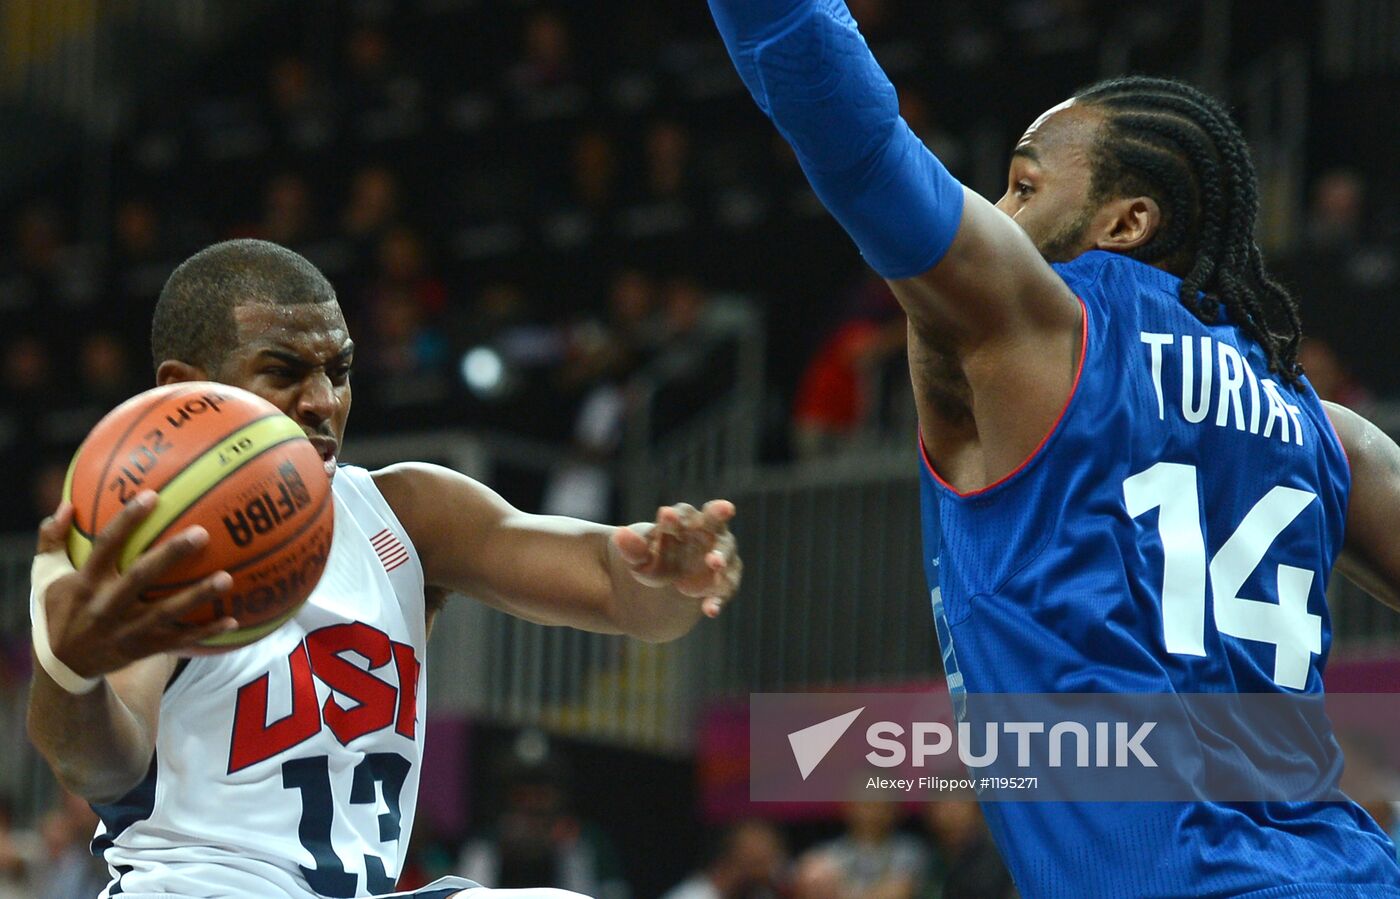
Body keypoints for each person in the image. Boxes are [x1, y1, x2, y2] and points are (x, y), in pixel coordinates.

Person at [708, 0, 1400, 895]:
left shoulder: (1038, 330)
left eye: (1024, 187)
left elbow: (854, 135)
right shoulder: (1329, 430)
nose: (997, 212)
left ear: (1126, 222)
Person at [26, 238, 743, 899]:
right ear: (187, 388)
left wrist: (674, 576)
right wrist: (72, 670)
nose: (322, 401)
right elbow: (97, 767)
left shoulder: (409, 512)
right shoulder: (154, 544)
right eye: (284, 371)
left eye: (338, 371)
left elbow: (619, 590)